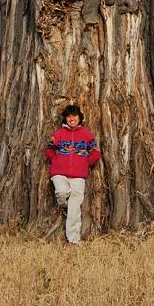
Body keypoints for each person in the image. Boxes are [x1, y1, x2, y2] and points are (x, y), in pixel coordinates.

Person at [45, 104, 101, 245]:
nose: (72, 119)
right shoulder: (58, 134)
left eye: (74, 116)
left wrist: (85, 163)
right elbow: (49, 149)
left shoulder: (86, 134)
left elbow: (95, 151)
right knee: (62, 192)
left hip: (78, 175)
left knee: (75, 208)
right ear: (65, 119)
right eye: (69, 116)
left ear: (79, 118)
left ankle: (74, 240)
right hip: (59, 173)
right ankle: (64, 207)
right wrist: (57, 160)